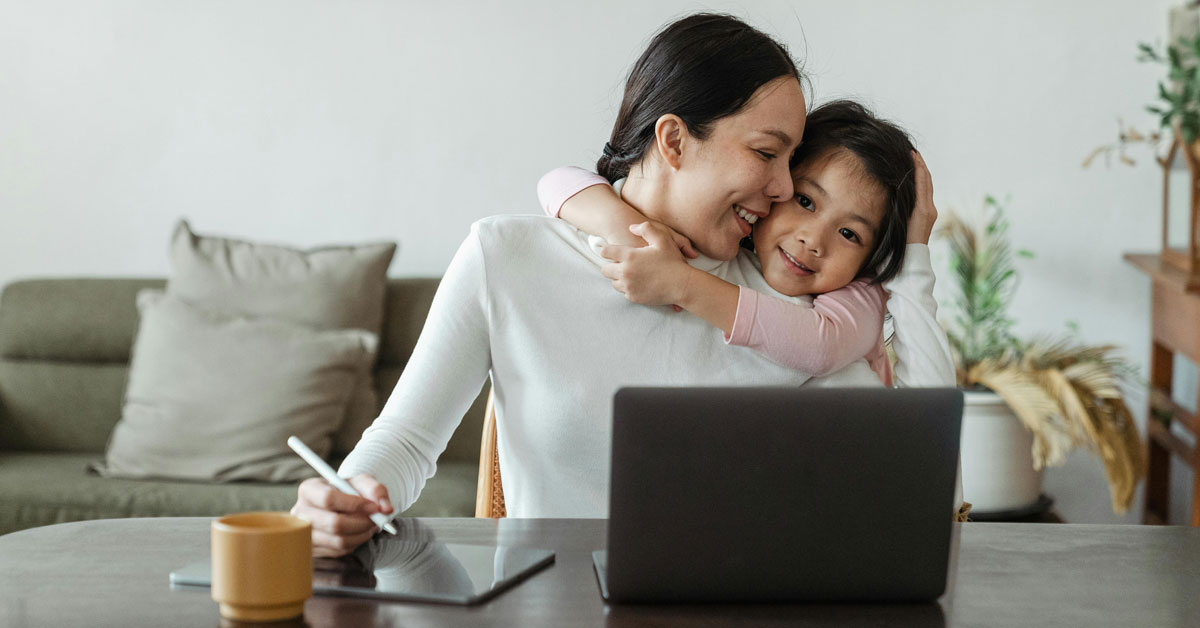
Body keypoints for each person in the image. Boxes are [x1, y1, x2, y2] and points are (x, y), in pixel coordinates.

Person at [291, 13, 954, 557]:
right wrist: (347, 494)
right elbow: (405, 442)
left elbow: (919, 469)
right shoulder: (507, 257)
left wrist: (916, 252)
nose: (783, 189)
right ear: (673, 141)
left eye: (791, 161)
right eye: (765, 153)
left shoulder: (795, 306)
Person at [538, 100, 930, 386]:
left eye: (850, 234)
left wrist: (681, 284)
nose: (813, 240)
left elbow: (821, 346)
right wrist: (625, 227)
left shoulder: (860, 293)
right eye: (805, 201)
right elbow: (556, 180)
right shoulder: (733, 243)